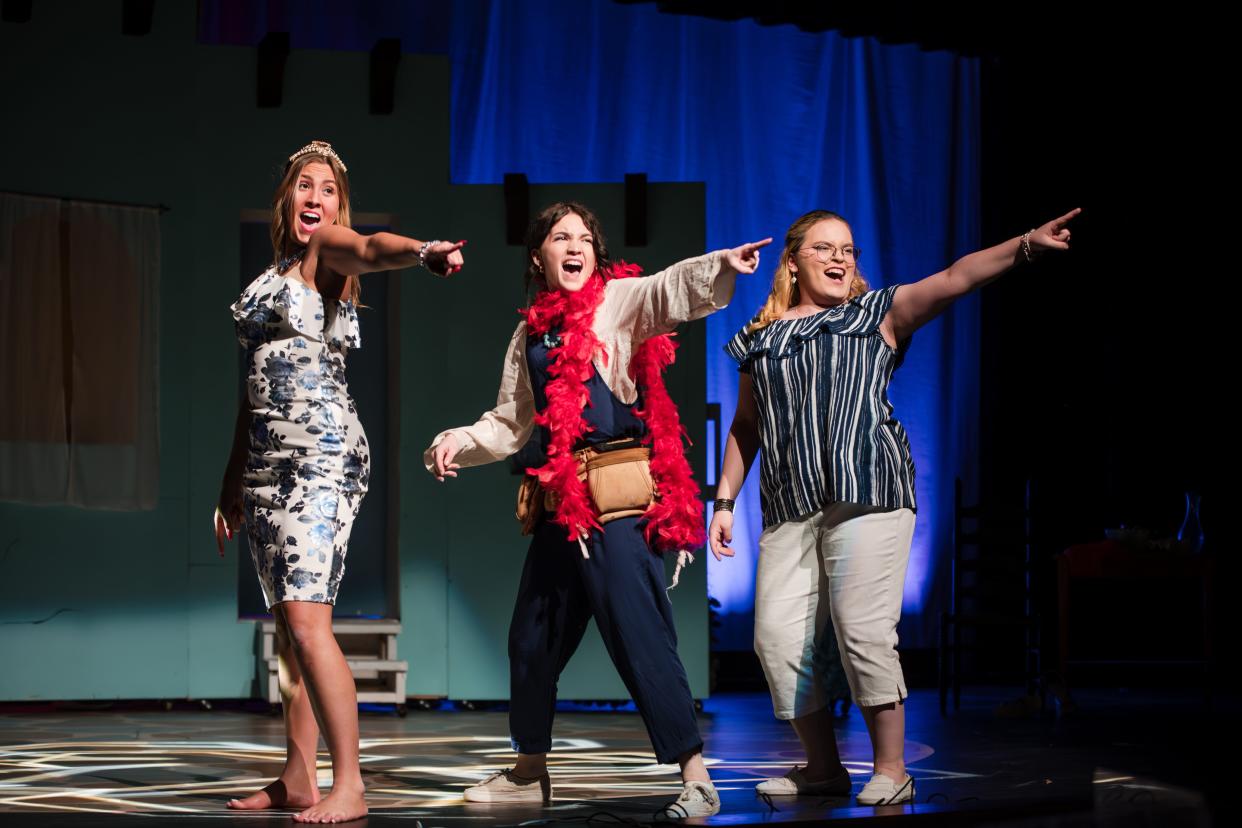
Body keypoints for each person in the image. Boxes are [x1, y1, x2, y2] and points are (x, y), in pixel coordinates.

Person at [710, 207, 1080, 805]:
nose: (838, 259)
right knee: (777, 640)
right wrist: (724, 500)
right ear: (793, 260)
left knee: (863, 630)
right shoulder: (760, 338)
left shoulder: (874, 313)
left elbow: (956, 277)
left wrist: (1026, 246)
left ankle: (891, 768)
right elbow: (747, 425)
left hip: (871, 494)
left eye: (848, 250)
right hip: (790, 506)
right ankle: (824, 769)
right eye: (824, 248)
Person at [426, 201, 770, 817]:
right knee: (530, 637)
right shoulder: (529, 333)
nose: (576, 246)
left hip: (615, 502)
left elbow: (663, 292)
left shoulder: (615, 303)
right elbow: (509, 422)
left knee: (640, 635)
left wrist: (720, 264)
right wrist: (457, 439)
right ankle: (530, 770)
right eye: (561, 237)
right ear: (539, 256)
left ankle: (696, 776)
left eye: (584, 237)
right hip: (564, 505)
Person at [215, 139, 464, 823]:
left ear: (336, 207)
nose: (315, 199)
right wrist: (232, 481)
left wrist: (422, 251)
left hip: (321, 459)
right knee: (291, 631)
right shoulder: (275, 276)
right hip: (268, 466)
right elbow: (253, 389)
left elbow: (373, 246)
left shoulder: (328, 252)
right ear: (285, 199)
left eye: (327, 189)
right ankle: (298, 776)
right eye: (304, 187)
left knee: (307, 618)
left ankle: (349, 782)